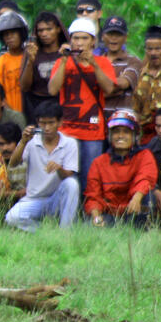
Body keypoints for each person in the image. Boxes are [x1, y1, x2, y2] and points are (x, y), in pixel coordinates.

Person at [48, 17, 115, 192]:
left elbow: (108, 88)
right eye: (76, 38)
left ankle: (88, 214)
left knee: (90, 176)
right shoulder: (63, 61)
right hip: (68, 129)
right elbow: (53, 90)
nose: (79, 42)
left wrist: (93, 64)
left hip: (93, 130)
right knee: (68, 176)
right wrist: (63, 61)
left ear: (93, 41)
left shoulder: (103, 62)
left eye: (84, 38)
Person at [4, 101, 80, 232]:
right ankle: (46, 232)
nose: (47, 128)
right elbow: (13, 164)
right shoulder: (31, 142)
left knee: (72, 184)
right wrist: (22, 142)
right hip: (35, 199)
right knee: (11, 218)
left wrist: (58, 168)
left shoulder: (69, 143)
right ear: (38, 123)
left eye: (51, 123)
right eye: (43, 123)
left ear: (60, 123)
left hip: (57, 199)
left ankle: (65, 232)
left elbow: (68, 175)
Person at [84, 109, 157, 227]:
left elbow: (146, 179)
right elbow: (93, 196)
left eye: (126, 132)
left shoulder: (144, 155)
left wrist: (137, 198)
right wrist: (96, 218)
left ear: (135, 135)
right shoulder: (99, 162)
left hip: (134, 211)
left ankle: (141, 232)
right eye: (116, 132)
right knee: (89, 227)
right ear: (110, 135)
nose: (120, 136)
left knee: (148, 196)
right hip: (110, 215)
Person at [19, 10, 66, 115]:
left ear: (58, 29)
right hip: (36, 106)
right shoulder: (32, 52)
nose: (44, 34)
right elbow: (24, 86)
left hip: (61, 104)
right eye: (41, 30)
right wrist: (30, 62)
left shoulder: (65, 52)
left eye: (49, 29)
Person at [98, 16, 141, 123]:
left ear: (125, 37)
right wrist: (115, 90)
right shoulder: (96, 62)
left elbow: (123, 84)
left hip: (123, 122)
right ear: (103, 36)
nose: (113, 38)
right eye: (110, 34)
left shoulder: (133, 61)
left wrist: (100, 90)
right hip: (98, 121)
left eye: (118, 34)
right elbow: (115, 87)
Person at [0, 11, 28, 114]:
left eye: (13, 33)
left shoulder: (31, 58)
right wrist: (14, 117)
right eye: (6, 34)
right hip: (9, 117)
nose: (9, 37)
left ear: (21, 33)